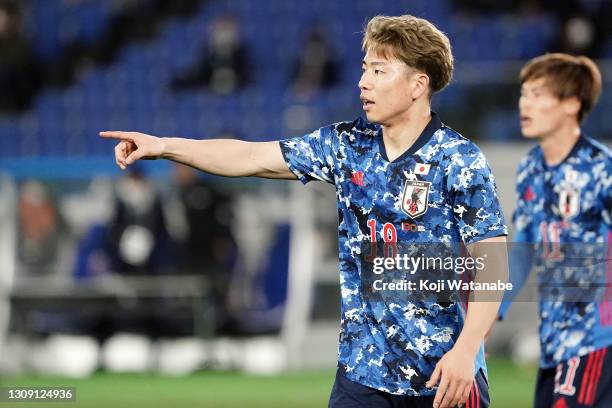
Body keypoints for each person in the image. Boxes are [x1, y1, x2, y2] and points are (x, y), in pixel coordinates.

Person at [101, 15, 508, 408]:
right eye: (364, 69)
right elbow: (251, 157)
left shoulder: (459, 160)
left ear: (419, 84)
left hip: (444, 377)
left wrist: (467, 349)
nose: (363, 82)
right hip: (362, 375)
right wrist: (165, 146)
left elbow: (492, 266)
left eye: (379, 71)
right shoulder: (347, 145)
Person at [498, 53, 612, 407]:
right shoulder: (530, 168)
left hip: (596, 338)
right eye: (523, 93)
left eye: (537, 94)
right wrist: (491, 311)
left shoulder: (600, 169)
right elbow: (523, 252)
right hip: (553, 342)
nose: (524, 103)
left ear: (570, 104)